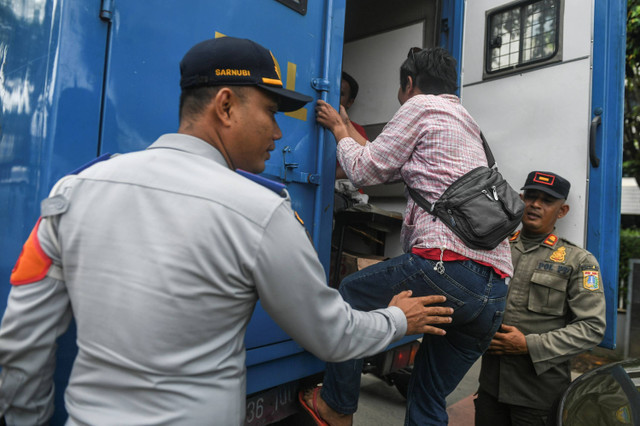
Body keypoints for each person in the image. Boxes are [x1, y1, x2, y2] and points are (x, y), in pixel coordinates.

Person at [0, 37, 454, 426]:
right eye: (272, 112)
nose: (278, 132)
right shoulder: (258, 211)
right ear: (225, 105)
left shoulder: (74, 192)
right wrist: (398, 320)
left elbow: (22, 339)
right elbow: (332, 336)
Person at [305, 46, 513, 425]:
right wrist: (352, 133)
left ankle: (337, 407)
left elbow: (366, 171)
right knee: (427, 394)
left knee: (352, 293)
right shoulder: (468, 124)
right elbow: (385, 160)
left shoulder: (420, 106)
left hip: (448, 271)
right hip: (493, 293)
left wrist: (338, 129)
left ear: (409, 83)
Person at [475, 171, 607, 426]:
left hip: (538, 399)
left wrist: (528, 345)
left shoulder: (578, 261)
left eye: (547, 200)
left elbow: (592, 328)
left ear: (562, 211)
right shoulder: (497, 249)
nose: (535, 204)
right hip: (490, 389)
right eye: (531, 197)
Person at [336, 71, 367, 179]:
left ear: (350, 102)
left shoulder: (356, 130)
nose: (334, 96)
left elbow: (359, 164)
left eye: (341, 94)